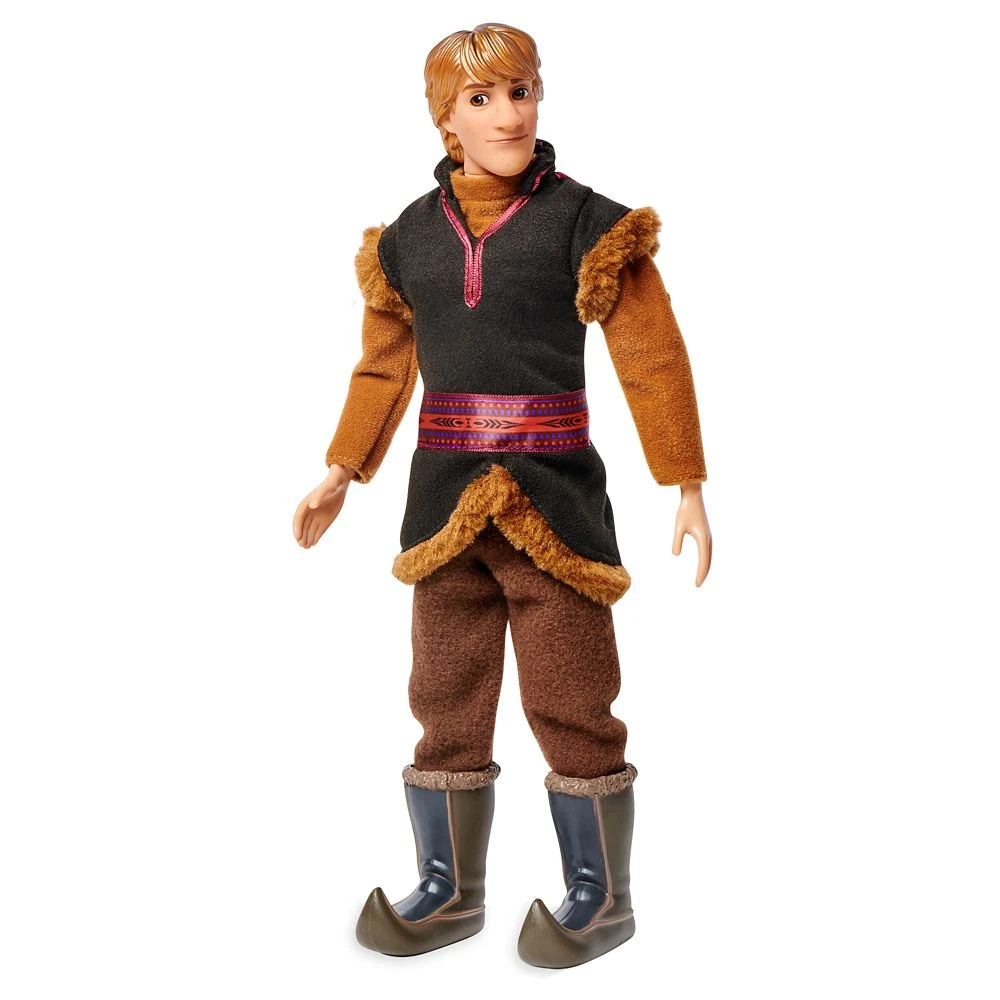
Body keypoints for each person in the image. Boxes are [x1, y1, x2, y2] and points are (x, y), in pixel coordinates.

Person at [293, 23, 711, 968]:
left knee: (573, 698)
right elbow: (384, 366)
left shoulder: (585, 223)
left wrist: (683, 479)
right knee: (443, 697)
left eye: (521, 91)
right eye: (481, 99)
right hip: (442, 508)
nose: (508, 114)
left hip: (556, 503)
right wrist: (342, 470)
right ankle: (449, 890)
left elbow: (650, 355)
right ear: (445, 119)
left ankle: (601, 897)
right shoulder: (408, 239)